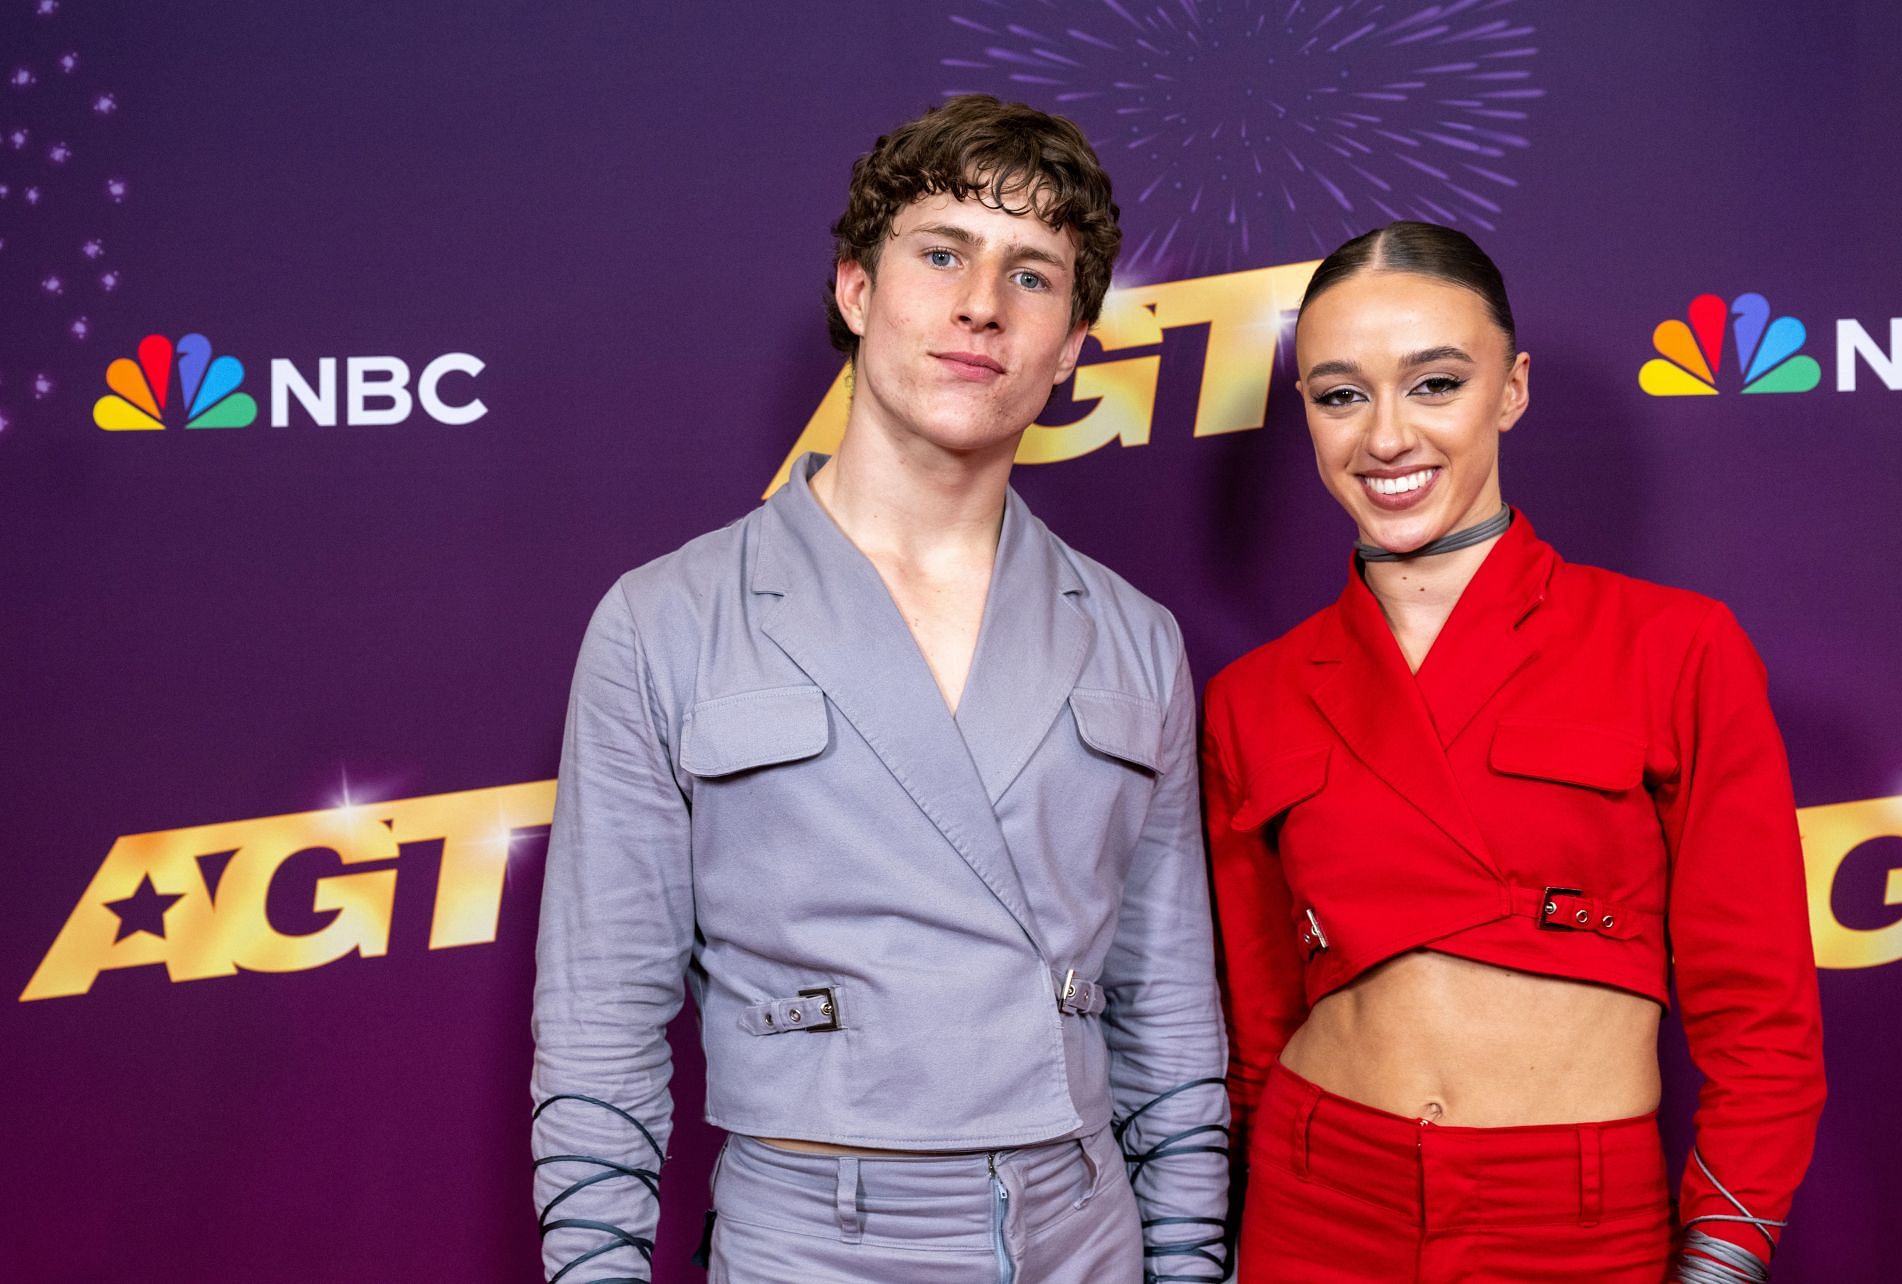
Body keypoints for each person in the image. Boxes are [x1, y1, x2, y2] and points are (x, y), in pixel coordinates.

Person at [531, 95, 1230, 1284]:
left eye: (1034, 275)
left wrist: (1189, 1261)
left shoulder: (1134, 638)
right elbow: (601, 1022)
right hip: (813, 1237)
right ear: (858, 290)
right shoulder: (665, 620)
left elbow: (1168, 1015)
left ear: (1071, 348)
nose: (980, 306)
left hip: (1084, 1233)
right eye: (943, 252)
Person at [1203, 221, 1824, 1283]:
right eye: (1341, 394)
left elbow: (1760, 1012)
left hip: (1573, 1212)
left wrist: (1725, 1248)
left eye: (1435, 383)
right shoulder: (1250, 697)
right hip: (1318, 1201)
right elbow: (1258, 1035)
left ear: (1512, 388)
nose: (1387, 437)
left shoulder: (1675, 646)